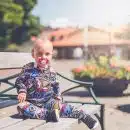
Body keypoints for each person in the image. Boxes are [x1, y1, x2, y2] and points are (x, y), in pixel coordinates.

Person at [15, 37, 98, 130]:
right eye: (39, 54)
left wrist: (57, 98)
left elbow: (56, 86)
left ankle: (83, 116)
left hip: (48, 101)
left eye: (47, 54)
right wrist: (22, 91)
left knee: (62, 106)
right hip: (32, 102)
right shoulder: (28, 68)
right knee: (21, 107)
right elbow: (19, 80)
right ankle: (49, 115)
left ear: (51, 55)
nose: (43, 57)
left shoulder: (51, 71)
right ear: (33, 54)